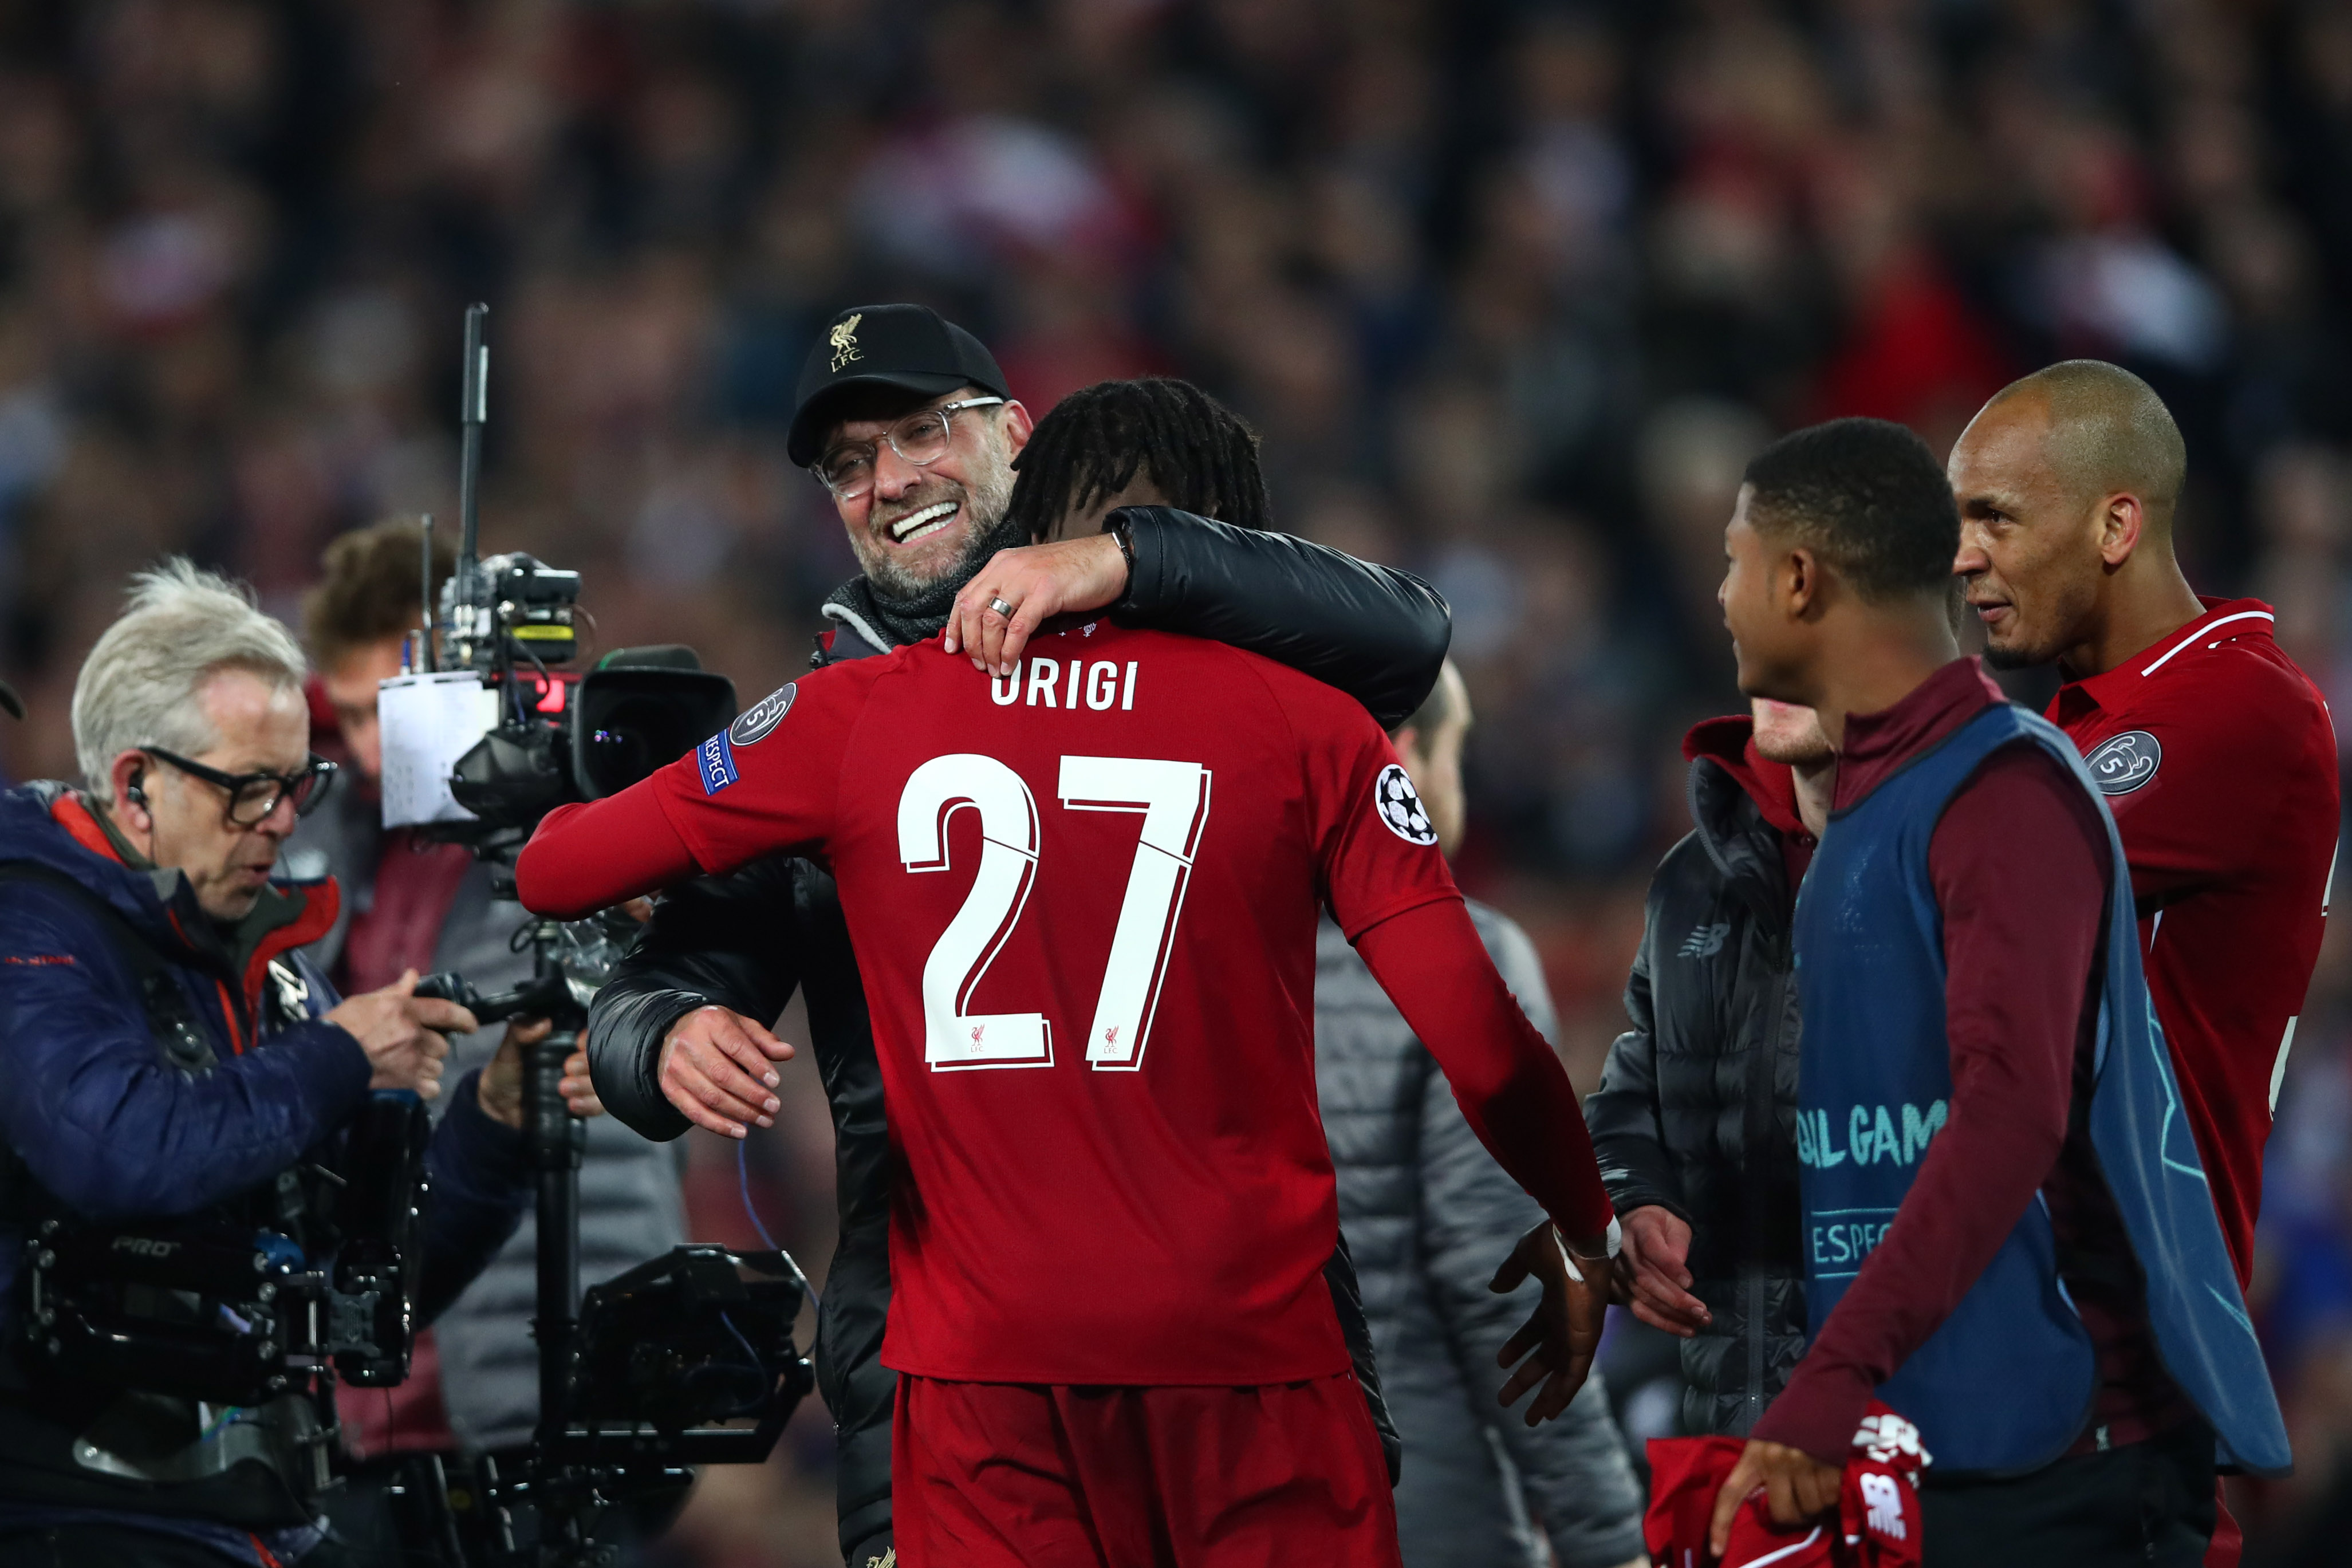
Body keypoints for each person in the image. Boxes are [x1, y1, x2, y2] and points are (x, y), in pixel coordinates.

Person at [514, 560, 1618, 1568]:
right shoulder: (1306, 719)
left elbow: (557, 870)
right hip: (1257, 1355)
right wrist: (1582, 1214)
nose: (886, 484)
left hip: (983, 1372)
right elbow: (1485, 1038)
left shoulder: (853, 711)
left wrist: (551, 790)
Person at [585, 312, 1452, 1567]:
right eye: (847, 466)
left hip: (1235, 1350)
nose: (888, 484)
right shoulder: (826, 730)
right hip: (946, 1377)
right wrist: (659, 1034)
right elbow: (657, 981)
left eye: (921, 433)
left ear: (1013, 437)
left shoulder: (1190, 641)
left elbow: (1408, 638)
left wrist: (1128, 560)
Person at [1708, 417, 2284, 1566]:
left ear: (1798, 580)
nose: (1719, 597)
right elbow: (1863, 1144)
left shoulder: (2002, 790)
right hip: (1929, 1450)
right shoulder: (1867, 814)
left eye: (1731, 562)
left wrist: (1831, 1378)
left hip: (2066, 1465)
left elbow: (2008, 1113)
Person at [0, 561, 539, 1567]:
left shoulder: (271, 972)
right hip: (64, 1513)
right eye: (250, 788)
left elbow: (373, 1293)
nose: (285, 822)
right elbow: (116, 1152)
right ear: (134, 783)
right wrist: (338, 1056)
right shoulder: (28, 918)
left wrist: (499, 1117)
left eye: (298, 784)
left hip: (254, 1517)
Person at [285, 521, 678, 1549]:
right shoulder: (314, 846)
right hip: (364, 1416)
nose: (382, 748)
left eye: (406, 711)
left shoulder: (589, 821)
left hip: (549, 1380)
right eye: (359, 716)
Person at [1948, 361, 2338, 1294]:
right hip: (2039, 1303)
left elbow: (1978, 891)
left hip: (2132, 1317)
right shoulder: (2076, 726)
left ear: (2115, 525)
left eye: (1997, 518)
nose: (1964, 556)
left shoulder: (2242, 702)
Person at [1314, 659, 1647, 1568]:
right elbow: (1509, 1293)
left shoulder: (1187, 965)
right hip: (1423, 1509)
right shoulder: (1468, 960)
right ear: (1407, 763)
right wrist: (1608, 1537)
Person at [1583, 697, 1830, 1435]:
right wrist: (1635, 1199)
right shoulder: (1690, 876)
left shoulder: (1965, 842)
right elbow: (1631, 1098)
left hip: (1914, 1435)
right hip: (1724, 1421)